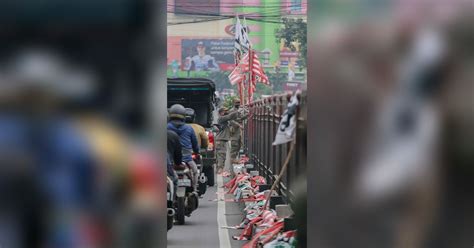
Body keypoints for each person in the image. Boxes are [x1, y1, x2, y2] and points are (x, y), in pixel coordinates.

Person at [167, 104, 200, 193]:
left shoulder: (166, 128)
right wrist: (197, 152)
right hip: (186, 158)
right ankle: (194, 189)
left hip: (170, 161)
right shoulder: (189, 128)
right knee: (195, 171)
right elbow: (195, 144)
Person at [215, 107, 239, 174]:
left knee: (221, 154)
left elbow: (234, 118)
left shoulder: (225, 120)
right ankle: (220, 169)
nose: (226, 112)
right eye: (224, 112)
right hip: (220, 140)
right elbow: (230, 116)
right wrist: (238, 110)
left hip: (221, 140)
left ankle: (219, 169)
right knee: (221, 154)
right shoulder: (221, 118)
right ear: (220, 113)